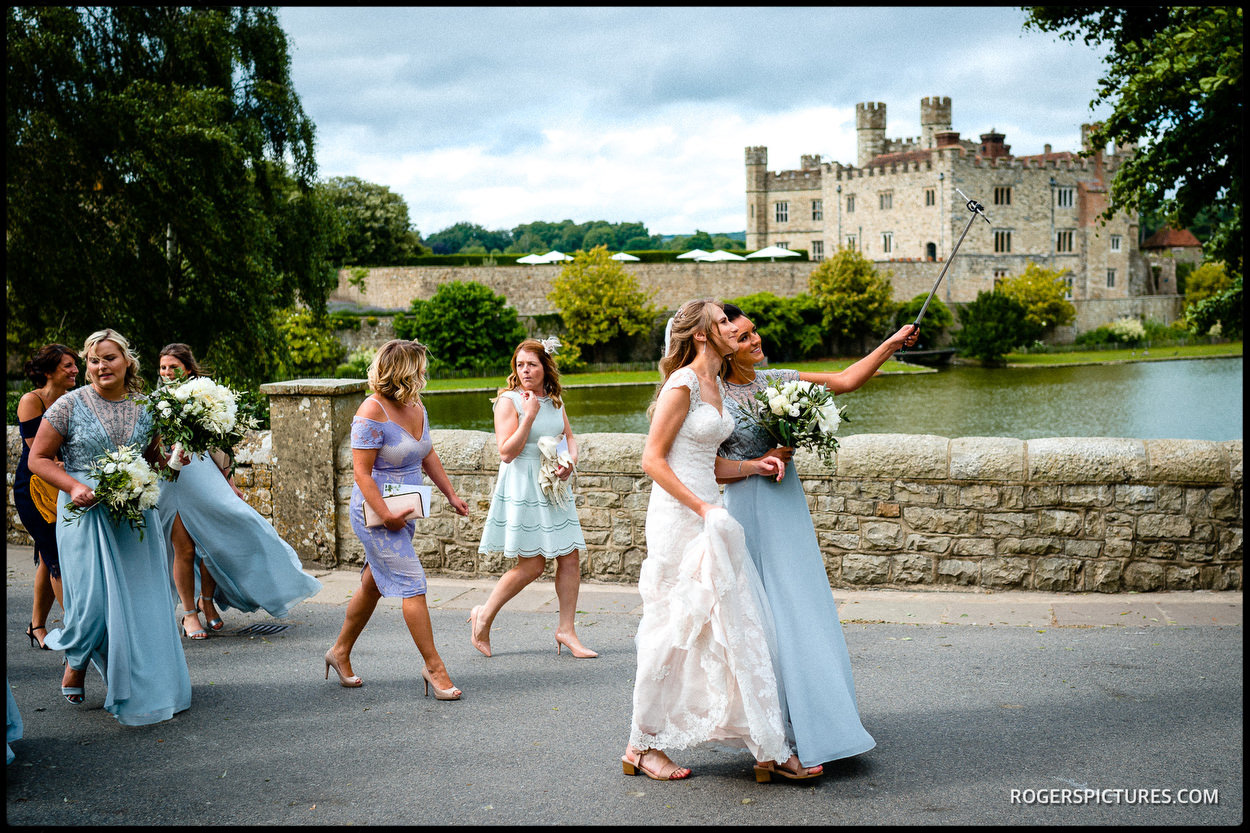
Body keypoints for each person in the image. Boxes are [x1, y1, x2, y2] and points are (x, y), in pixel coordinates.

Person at [716, 303, 918, 770]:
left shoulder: (776, 381)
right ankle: (774, 734)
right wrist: (757, 463)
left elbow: (845, 380)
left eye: (754, 331)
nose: (756, 339)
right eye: (745, 337)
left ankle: (821, 723)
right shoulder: (712, 395)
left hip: (787, 505)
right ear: (727, 347)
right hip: (744, 509)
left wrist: (890, 343)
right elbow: (703, 467)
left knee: (802, 607)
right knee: (764, 617)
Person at [622, 299, 814, 784]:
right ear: (703, 333)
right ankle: (640, 745)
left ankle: (767, 744)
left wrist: (753, 466)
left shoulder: (718, 387)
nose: (733, 326)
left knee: (738, 622)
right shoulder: (681, 385)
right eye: (724, 320)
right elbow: (653, 460)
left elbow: (708, 462)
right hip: (680, 519)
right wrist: (703, 507)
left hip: (712, 514)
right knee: (672, 628)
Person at [30, 329, 191, 725]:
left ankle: (145, 681)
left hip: (135, 514)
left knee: (140, 600)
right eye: (94, 360)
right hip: (85, 514)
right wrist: (74, 486)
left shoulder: (146, 406)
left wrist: (171, 463)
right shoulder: (68, 406)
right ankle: (77, 658)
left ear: (128, 362)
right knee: (92, 602)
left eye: (110, 358)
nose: (102, 366)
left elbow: (151, 460)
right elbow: (39, 458)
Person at [324, 339, 470, 698]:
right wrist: (386, 515)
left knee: (373, 583)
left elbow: (427, 453)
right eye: (420, 367)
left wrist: (451, 494)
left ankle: (338, 652)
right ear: (405, 371)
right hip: (375, 512)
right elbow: (361, 473)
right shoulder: (371, 411)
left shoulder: (416, 404)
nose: (425, 373)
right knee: (413, 583)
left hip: (406, 509)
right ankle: (434, 668)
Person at [154, 343, 322, 639]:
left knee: (213, 543)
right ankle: (189, 614)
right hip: (171, 478)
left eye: (173, 367)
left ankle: (208, 602)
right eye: (163, 367)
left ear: (188, 369)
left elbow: (221, 443)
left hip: (203, 474)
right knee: (184, 548)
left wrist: (229, 481)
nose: (167, 373)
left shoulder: (204, 397)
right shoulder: (153, 402)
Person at [469, 338, 595, 658]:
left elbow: (567, 438)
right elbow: (506, 452)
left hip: (553, 485)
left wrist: (569, 461)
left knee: (569, 556)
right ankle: (483, 616)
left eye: (532, 365)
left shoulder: (555, 401)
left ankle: (566, 630)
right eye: (520, 365)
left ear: (545, 368)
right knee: (533, 565)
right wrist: (528, 415)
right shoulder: (508, 401)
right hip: (523, 484)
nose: (525, 370)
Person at [13, 344, 79, 650]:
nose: (75, 370)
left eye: (75, 365)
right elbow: (35, 447)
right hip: (35, 488)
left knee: (45, 558)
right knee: (56, 556)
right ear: (49, 371)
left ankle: (37, 626)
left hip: (63, 483)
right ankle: (79, 627)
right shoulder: (32, 400)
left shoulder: (73, 400)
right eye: (67, 365)